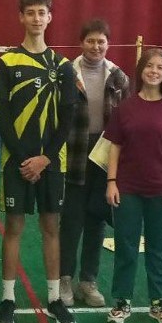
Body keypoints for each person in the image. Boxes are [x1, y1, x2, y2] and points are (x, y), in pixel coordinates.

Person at [0, 0, 78, 323]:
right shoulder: (7, 62)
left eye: (42, 12)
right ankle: (7, 299)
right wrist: (22, 158)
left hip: (51, 162)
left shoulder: (63, 66)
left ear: (50, 17)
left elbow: (68, 117)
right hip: (15, 161)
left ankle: (55, 298)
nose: (36, 18)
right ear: (21, 17)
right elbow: (1, 116)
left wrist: (45, 158)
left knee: (51, 227)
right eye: (30, 12)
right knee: (13, 227)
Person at [104, 48, 162, 323]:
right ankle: (122, 301)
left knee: (157, 248)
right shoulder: (125, 107)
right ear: (141, 70)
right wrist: (111, 182)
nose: (154, 71)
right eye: (150, 66)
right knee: (126, 246)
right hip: (128, 189)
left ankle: (158, 302)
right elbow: (115, 147)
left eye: (160, 68)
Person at [60, 19, 130, 308]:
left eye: (101, 41)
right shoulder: (66, 73)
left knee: (97, 218)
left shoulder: (119, 78)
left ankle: (88, 281)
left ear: (108, 44)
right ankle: (64, 279)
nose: (96, 46)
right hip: (74, 153)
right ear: (81, 43)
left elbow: (127, 121)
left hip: (105, 157)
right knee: (71, 219)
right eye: (90, 40)